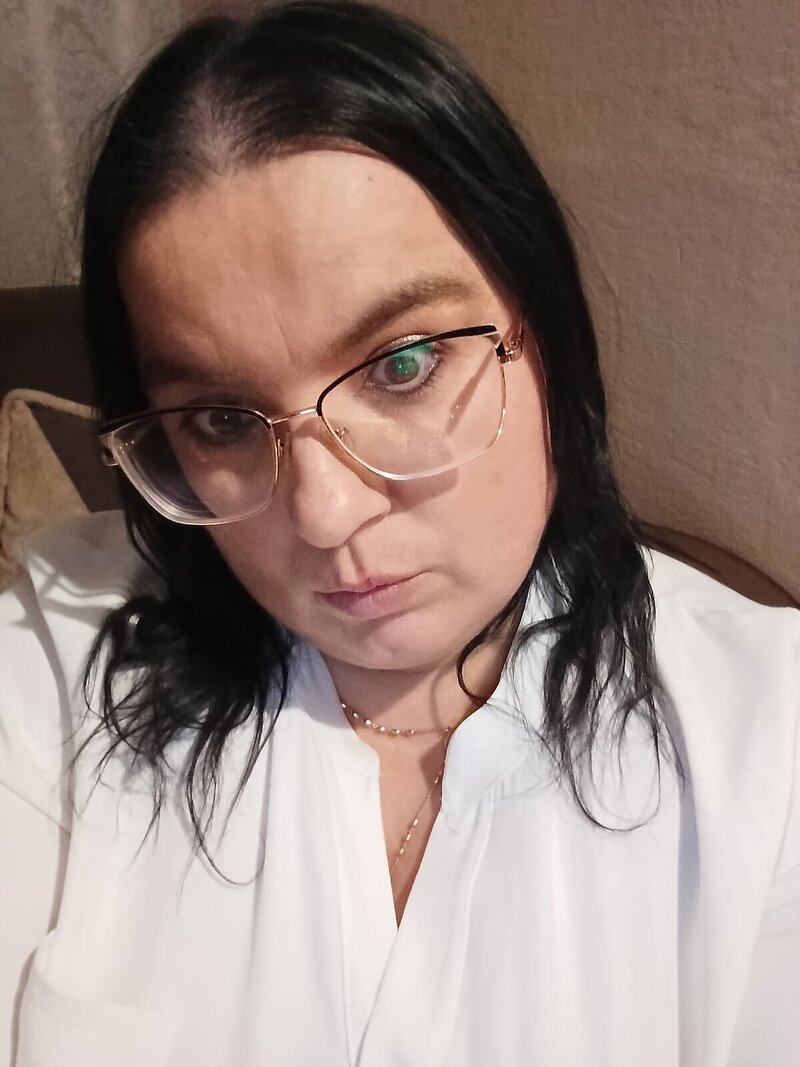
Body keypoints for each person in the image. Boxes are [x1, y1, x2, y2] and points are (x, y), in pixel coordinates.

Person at [0, 2, 797, 1064]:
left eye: (403, 364)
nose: (324, 514)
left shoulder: (768, 746)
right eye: (222, 421)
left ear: (542, 333)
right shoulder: (56, 665)